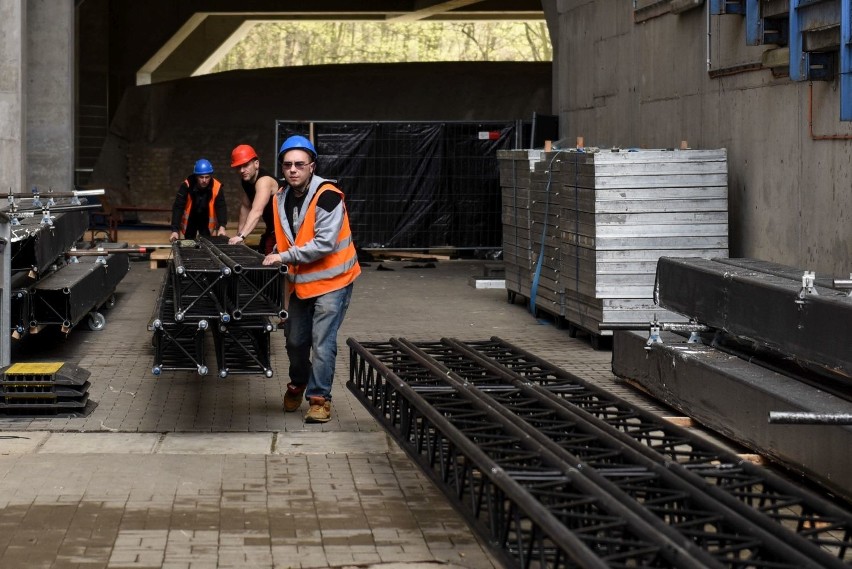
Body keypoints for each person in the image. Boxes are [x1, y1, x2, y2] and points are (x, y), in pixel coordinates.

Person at [262, 135, 361, 423]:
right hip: (302, 283)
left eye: (299, 164)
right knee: (294, 340)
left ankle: (319, 399)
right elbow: (289, 238)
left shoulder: (328, 196)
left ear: (312, 166)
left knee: (322, 341)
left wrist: (283, 257)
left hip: (335, 281)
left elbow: (325, 243)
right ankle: (299, 381)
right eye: (288, 164)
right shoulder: (280, 198)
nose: (293, 169)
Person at [228, 144, 279, 254]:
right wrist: (239, 237)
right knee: (261, 253)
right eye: (239, 167)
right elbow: (245, 208)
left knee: (268, 261)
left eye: (245, 165)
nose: (242, 170)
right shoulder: (247, 181)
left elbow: (257, 211)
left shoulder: (264, 181)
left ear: (256, 164)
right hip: (271, 229)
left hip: (285, 231)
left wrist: (242, 236)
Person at [169, 158, 227, 242]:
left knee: (207, 243)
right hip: (190, 220)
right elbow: (178, 207)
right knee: (189, 243)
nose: (204, 180)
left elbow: (221, 206)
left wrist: (222, 226)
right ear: (196, 176)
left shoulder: (217, 187)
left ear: (210, 176)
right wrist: (175, 230)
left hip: (206, 220)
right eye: (201, 177)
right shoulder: (186, 186)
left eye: (207, 177)